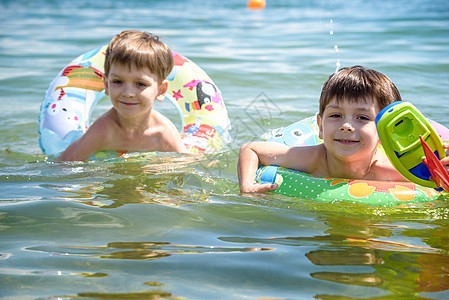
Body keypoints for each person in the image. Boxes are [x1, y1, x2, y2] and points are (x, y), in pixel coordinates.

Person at [238, 65, 408, 193]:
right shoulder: (312, 159)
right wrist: (247, 185)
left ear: (384, 132)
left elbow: (433, 182)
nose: (346, 126)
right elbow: (250, 149)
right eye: (336, 115)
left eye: (362, 118)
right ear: (320, 126)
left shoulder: (392, 171)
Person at [58, 30, 187, 161]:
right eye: (117, 82)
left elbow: (187, 165)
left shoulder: (163, 133)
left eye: (140, 84)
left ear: (161, 90)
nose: (128, 93)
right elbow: (65, 164)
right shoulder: (103, 131)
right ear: (107, 85)